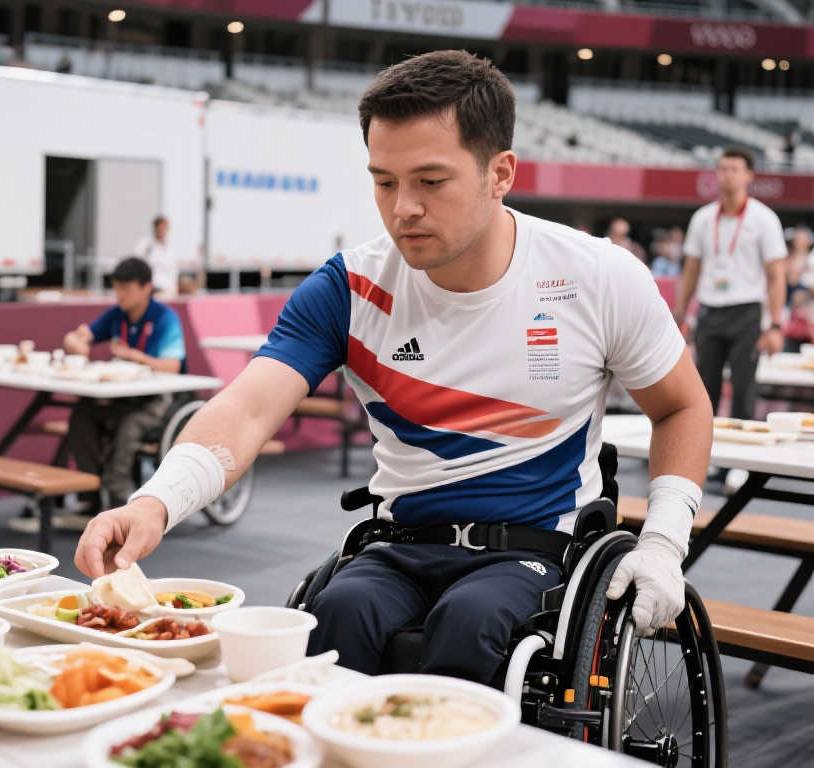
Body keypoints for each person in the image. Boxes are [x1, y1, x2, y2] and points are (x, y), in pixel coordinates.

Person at [74, 51, 713, 685]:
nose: (403, 207)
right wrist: (156, 502)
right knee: (335, 614)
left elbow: (683, 406)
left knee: (471, 623)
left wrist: (664, 542)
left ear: (500, 174)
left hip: (536, 548)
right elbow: (246, 410)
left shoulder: (597, 276)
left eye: (430, 182)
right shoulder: (349, 287)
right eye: (384, 182)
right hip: (401, 542)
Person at [673, 147, 787, 424]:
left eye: (734, 169)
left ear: (749, 175)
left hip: (746, 312)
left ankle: (741, 451)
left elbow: (776, 275)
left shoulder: (763, 218)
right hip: (709, 310)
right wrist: (679, 315)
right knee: (703, 391)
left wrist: (774, 325)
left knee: (743, 390)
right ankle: (703, 449)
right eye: (723, 169)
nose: (727, 175)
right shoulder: (703, 218)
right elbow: (691, 271)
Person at [63, 257, 186, 511]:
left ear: (146, 287)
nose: (120, 294)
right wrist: (73, 341)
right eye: (117, 288)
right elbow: (82, 335)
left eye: (126, 288)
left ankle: (120, 497)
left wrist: (132, 355)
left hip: (158, 402)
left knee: (129, 426)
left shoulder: (165, 319)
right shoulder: (116, 315)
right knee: (82, 414)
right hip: (122, 399)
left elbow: (172, 366)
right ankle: (90, 491)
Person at [133, 216, 178, 298]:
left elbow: (173, 269)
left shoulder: (170, 247)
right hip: (151, 288)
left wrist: (174, 289)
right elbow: (137, 265)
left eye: (165, 227)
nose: (163, 230)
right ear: (155, 228)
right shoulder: (146, 244)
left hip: (167, 289)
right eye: (160, 227)